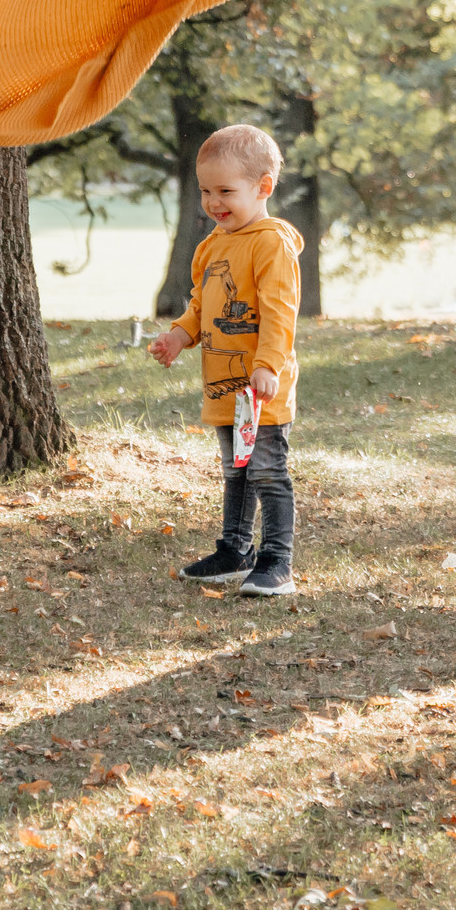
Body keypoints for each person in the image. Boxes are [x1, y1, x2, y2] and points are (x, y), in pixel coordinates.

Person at [147, 124, 305, 598]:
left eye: (226, 191)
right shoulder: (212, 245)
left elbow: (280, 310)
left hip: (260, 387)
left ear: (263, 188)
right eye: (205, 190)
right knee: (235, 470)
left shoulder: (270, 242)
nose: (214, 201)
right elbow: (202, 304)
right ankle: (235, 551)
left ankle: (277, 561)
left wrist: (268, 365)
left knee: (266, 471)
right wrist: (179, 335)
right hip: (224, 386)